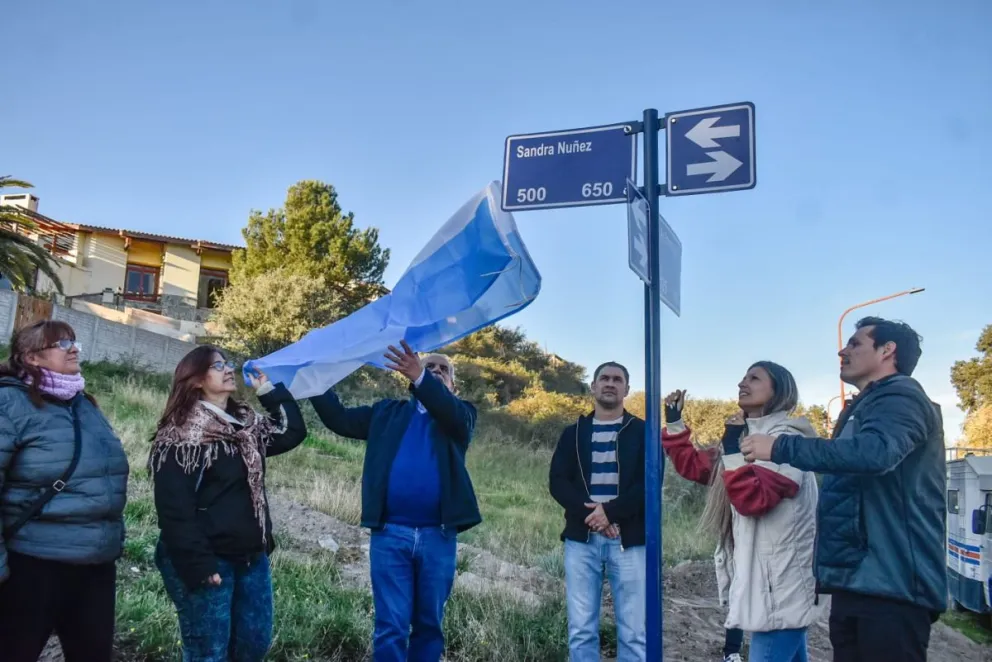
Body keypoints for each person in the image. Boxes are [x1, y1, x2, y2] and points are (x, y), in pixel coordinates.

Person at [741, 318, 946, 662]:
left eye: (854, 344)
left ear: (887, 351)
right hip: (858, 580)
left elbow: (875, 453)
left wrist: (780, 447)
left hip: (892, 588)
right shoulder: (865, 405)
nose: (842, 350)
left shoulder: (902, 397)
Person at [310, 340, 481, 662]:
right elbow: (339, 419)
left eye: (443, 370)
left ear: (453, 386)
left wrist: (422, 377)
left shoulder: (461, 416)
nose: (436, 371)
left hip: (438, 535)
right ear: (410, 378)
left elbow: (452, 413)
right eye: (430, 366)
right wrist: (314, 381)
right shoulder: (386, 413)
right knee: (391, 625)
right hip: (390, 534)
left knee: (429, 624)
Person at [149, 345, 307, 662]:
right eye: (217, 365)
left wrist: (267, 389)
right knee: (209, 652)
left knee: (253, 645)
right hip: (209, 559)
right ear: (195, 380)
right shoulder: (181, 437)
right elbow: (174, 509)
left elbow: (291, 432)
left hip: (250, 556)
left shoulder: (246, 429)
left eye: (228, 363)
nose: (227, 369)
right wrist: (199, 564)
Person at [662, 362, 818, 662]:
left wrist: (733, 447)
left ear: (779, 391)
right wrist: (675, 422)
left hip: (780, 586)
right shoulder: (747, 436)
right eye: (744, 377)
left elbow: (753, 499)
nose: (741, 383)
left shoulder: (789, 441)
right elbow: (697, 467)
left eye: (754, 378)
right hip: (770, 583)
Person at [0, 320, 129, 662]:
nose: (74, 348)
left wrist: (114, 537)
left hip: (94, 565)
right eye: (61, 344)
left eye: (74, 341)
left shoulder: (84, 405)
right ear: (32, 358)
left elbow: (107, 478)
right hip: (32, 564)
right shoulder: (10, 404)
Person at [549, 361, 646, 662]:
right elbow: (557, 481)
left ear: (626, 390)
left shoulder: (643, 431)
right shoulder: (573, 433)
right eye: (604, 378)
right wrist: (594, 516)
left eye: (618, 379)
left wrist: (612, 513)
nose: (610, 383)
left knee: (633, 632)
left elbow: (649, 483)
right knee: (581, 630)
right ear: (593, 386)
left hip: (629, 541)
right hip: (582, 540)